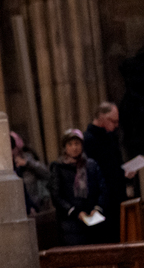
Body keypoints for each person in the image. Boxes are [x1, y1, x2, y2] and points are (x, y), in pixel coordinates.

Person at [84, 102, 138, 242]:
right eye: (113, 121)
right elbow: (97, 172)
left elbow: (115, 166)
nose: (116, 125)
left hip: (117, 197)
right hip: (102, 200)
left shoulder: (111, 137)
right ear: (102, 117)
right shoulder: (89, 140)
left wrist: (124, 173)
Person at [49, 129, 107, 246]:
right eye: (70, 144)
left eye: (77, 144)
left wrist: (97, 208)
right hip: (70, 224)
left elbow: (102, 189)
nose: (74, 148)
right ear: (65, 147)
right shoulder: (59, 167)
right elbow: (56, 195)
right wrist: (75, 212)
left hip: (92, 219)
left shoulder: (91, 165)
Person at [11, 131, 51, 214]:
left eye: (13, 147)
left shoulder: (28, 158)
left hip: (35, 205)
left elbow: (47, 174)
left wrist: (27, 163)